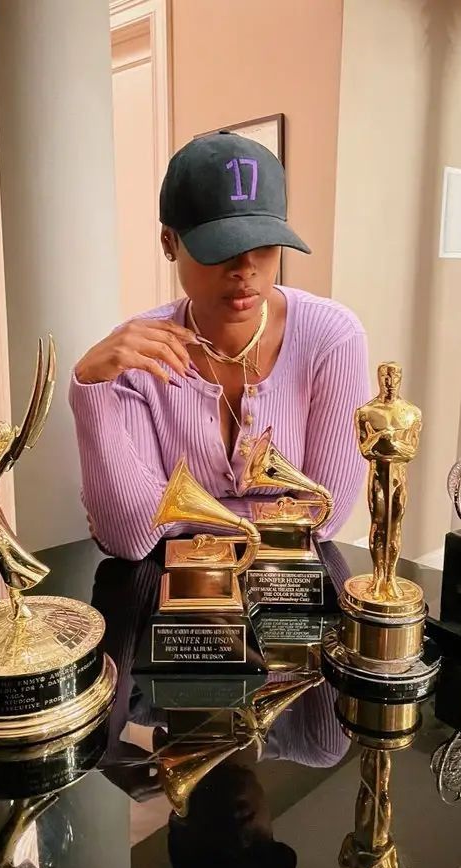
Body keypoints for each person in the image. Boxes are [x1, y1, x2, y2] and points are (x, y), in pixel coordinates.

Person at [70, 131, 369, 559]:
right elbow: (132, 538)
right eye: (221, 248)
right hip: (171, 600)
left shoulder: (332, 337)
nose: (245, 268)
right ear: (169, 242)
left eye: (264, 244)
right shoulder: (136, 355)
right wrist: (89, 392)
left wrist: (186, 518)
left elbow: (325, 517)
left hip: (290, 590)